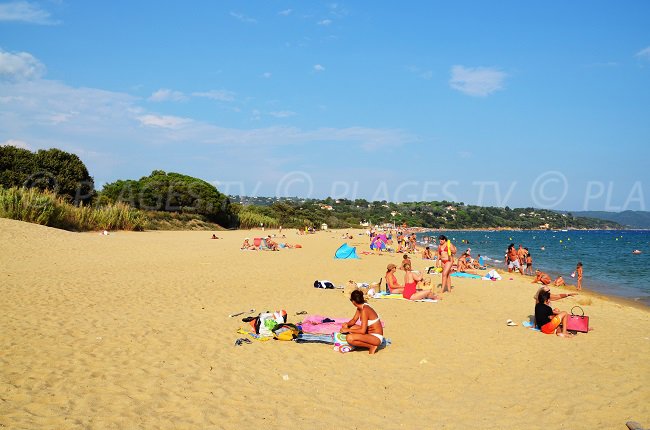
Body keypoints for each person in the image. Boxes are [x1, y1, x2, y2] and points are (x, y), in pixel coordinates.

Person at [340, 290, 384, 354]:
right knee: (347, 326)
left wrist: (347, 330)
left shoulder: (364, 310)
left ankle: (371, 346)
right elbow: (354, 320)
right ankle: (365, 343)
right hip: (369, 333)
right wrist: (346, 325)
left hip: (376, 337)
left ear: (353, 302)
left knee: (349, 338)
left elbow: (362, 331)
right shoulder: (360, 307)